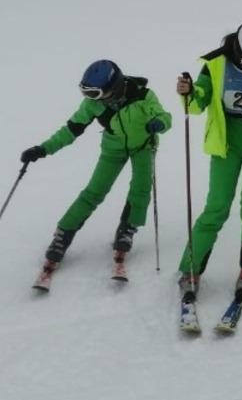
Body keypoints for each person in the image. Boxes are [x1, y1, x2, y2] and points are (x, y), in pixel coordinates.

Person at [23, 60, 171, 286]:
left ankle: (127, 228)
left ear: (114, 86)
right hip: (112, 149)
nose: (91, 98)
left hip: (143, 146)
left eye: (95, 93)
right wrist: (43, 149)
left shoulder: (143, 95)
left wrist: (158, 123)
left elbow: (164, 116)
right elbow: (71, 130)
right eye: (87, 92)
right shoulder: (92, 104)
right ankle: (64, 233)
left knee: (141, 189)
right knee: (94, 191)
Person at [175, 20, 242, 304]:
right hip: (227, 141)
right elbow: (198, 103)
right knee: (217, 206)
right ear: (238, 48)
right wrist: (188, 93)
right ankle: (191, 269)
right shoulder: (215, 65)